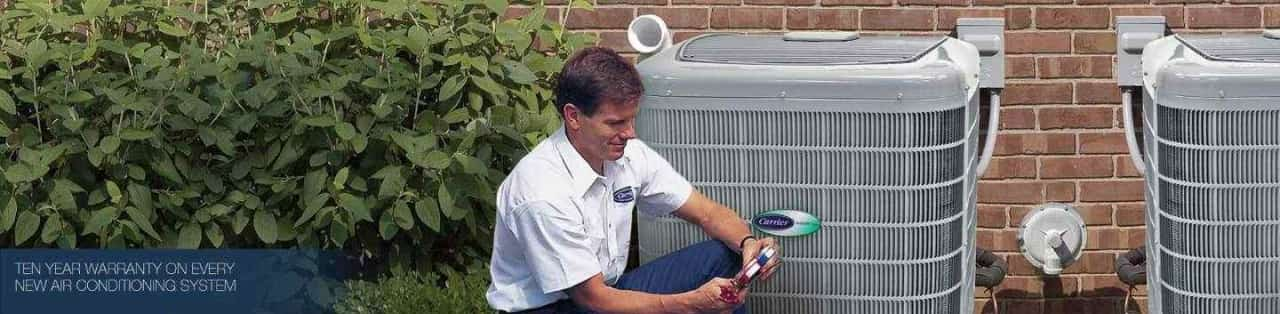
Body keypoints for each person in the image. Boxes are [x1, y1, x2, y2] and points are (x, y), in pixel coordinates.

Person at [486, 47, 781, 313]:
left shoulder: (627, 154)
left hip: (607, 292)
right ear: (573, 117)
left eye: (631, 119)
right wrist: (689, 303)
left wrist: (748, 244)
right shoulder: (543, 191)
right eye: (615, 122)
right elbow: (592, 299)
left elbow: (706, 212)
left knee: (723, 254)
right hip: (557, 307)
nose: (630, 133)